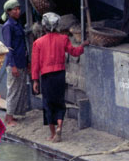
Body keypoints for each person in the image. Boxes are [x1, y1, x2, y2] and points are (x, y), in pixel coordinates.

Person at [31, 12, 89, 142]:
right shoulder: (64, 39)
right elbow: (75, 52)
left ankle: (52, 134)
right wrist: (83, 45)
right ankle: (60, 127)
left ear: (44, 27)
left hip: (46, 77)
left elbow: (35, 64)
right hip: (60, 75)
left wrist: (35, 80)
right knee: (60, 103)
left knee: (48, 104)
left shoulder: (38, 43)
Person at [1, 0, 28, 126]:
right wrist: (13, 66)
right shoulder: (8, 26)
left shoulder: (17, 24)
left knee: (19, 89)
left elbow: (22, 44)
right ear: (8, 12)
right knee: (13, 90)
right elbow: (8, 48)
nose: (18, 11)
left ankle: (10, 115)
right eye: (15, 9)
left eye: (18, 9)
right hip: (14, 63)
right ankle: (9, 117)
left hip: (21, 61)